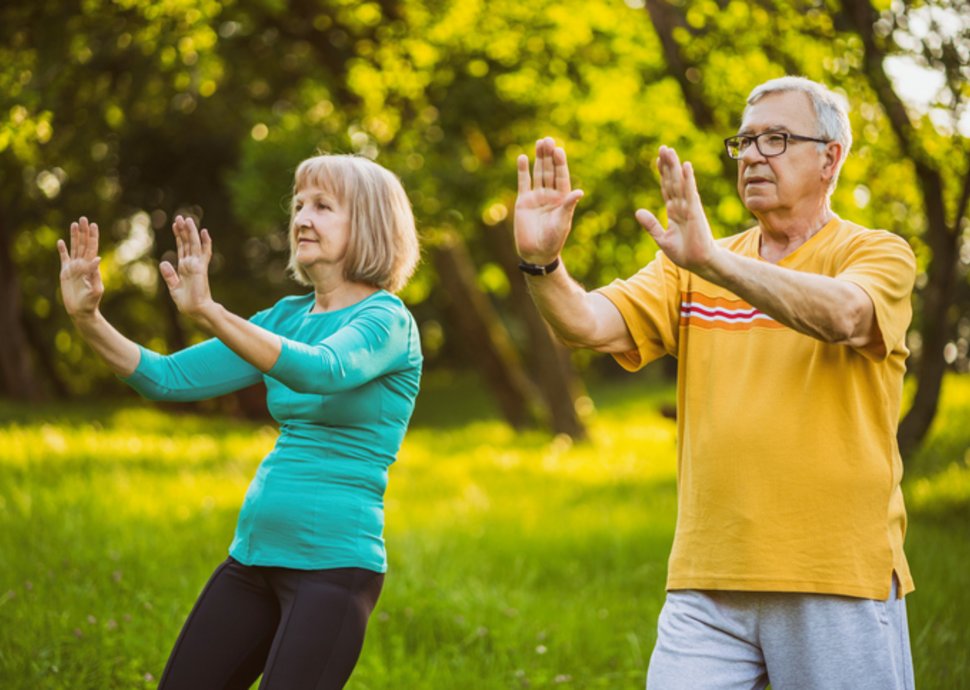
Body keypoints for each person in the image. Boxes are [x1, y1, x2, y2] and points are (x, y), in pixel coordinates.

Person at [513, 76, 916, 689]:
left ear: (830, 157)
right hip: (708, 582)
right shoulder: (691, 265)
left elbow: (844, 315)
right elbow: (587, 324)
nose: (753, 155)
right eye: (746, 141)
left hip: (833, 575)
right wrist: (543, 265)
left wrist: (715, 263)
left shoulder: (876, 252)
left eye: (777, 139)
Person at [57, 154, 422, 690]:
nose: (302, 218)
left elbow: (322, 370)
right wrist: (87, 319)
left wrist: (210, 313)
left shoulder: (387, 320)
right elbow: (166, 378)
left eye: (323, 206)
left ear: (368, 223)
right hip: (252, 558)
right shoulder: (285, 318)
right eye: (298, 205)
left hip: (334, 571)